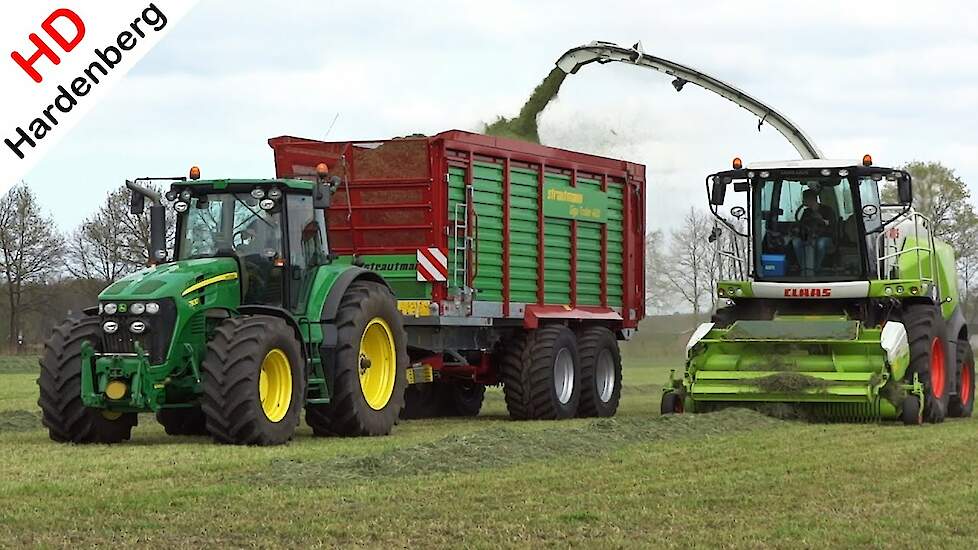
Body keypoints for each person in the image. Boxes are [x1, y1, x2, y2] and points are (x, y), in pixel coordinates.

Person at [792, 188, 836, 276]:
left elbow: (832, 224)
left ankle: (816, 268)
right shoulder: (806, 212)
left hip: (826, 237)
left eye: (804, 199)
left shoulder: (827, 210)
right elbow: (801, 225)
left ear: (811, 199)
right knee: (796, 242)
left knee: (820, 244)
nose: (802, 201)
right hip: (809, 236)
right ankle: (804, 268)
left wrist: (821, 220)